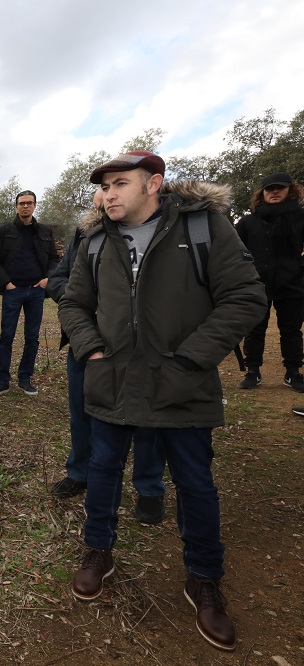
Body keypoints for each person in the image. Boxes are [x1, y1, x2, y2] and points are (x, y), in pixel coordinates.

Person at [59, 151, 266, 651]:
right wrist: (90, 348)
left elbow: (246, 297)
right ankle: (98, 551)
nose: (108, 193)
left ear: (154, 184)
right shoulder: (94, 240)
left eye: (120, 183)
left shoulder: (203, 228)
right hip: (112, 382)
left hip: (180, 384)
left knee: (195, 482)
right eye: (105, 185)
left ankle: (204, 578)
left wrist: (191, 359)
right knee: (104, 471)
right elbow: (73, 302)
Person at [46, 190, 167, 523]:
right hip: (87, 344)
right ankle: (80, 471)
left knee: (147, 419)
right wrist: (79, 299)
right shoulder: (88, 236)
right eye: (101, 197)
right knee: (82, 412)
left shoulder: (163, 233)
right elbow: (58, 280)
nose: (108, 202)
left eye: (117, 191)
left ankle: (150, 488)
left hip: (142, 348)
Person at [0, 190, 60, 396]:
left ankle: (25, 378)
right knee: (6, 336)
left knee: (32, 337)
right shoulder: (4, 230)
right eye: (21, 203)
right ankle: (2, 380)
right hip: (13, 291)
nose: (25, 206)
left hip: (36, 291)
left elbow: (54, 258)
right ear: (16, 206)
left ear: (35, 205)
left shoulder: (44, 231)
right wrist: (6, 283)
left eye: (29, 203)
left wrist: (48, 279)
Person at [235, 172, 304, 392]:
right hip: (257, 283)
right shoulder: (248, 221)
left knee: (291, 330)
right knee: (254, 329)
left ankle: (293, 373)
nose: (274, 192)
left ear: (290, 190)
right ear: (262, 193)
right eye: (269, 189)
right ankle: (253, 371)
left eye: (279, 188)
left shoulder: (301, 217)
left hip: (292, 283)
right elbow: (235, 251)